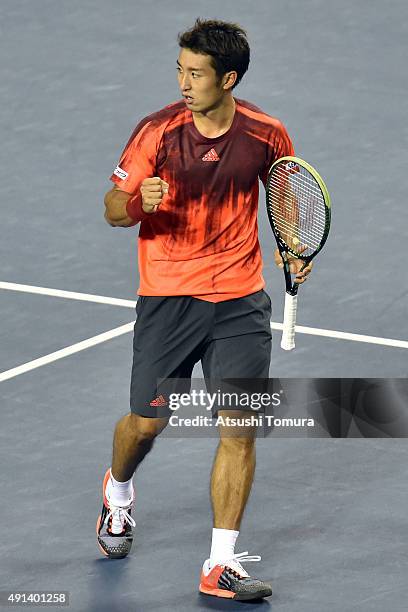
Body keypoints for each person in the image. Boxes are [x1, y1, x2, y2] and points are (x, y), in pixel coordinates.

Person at [96, 18, 312, 601]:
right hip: (168, 298)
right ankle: (118, 490)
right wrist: (136, 202)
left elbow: (286, 201)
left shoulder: (268, 134)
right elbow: (112, 207)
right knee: (147, 423)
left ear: (229, 78)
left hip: (240, 301)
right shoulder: (157, 132)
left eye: (196, 74)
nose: (184, 83)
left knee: (239, 430)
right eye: (180, 71)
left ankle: (220, 563)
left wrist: (294, 248)